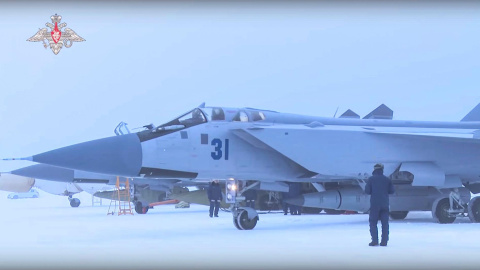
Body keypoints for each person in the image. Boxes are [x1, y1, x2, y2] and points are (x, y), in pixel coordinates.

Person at [365, 163, 395, 247]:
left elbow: (367, 191)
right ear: (382, 170)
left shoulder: (371, 179)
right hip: (385, 204)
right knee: (385, 223)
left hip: (374, 204)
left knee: (373, 222)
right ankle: (384, 241)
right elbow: (392, 191)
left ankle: (374, 241)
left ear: (374, 169)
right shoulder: (387, 179)